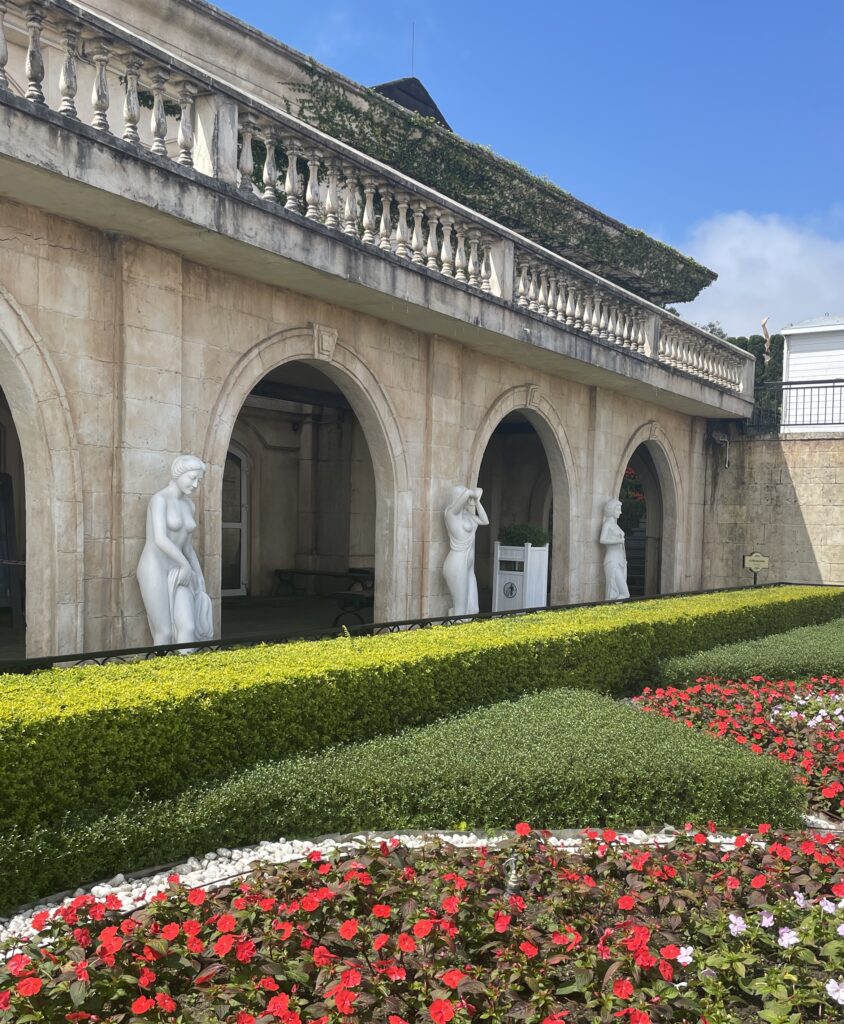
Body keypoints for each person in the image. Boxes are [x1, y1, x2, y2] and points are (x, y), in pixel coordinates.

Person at [137, 454, 214, 647]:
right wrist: (185, 565)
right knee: (164, 632)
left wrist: (199, 575)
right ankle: (161, 676)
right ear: (179, 474)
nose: (195, 485)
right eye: (192, 478)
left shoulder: (189, 505)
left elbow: (187, 546)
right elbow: (160, 539)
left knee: (188, 627)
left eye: (199, 480)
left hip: (181, 568)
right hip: (155, 566)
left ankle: (186, 675)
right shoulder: (159, 500)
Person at [443, 485, 489, 616]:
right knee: (460, 610)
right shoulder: (451, 514)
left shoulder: (468, 515)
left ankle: (461, 630)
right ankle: (455, 634)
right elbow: (467, 494)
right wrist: (471, 493)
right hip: (457, 563)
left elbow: (485, 521)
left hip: (468, 565)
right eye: (464, 495)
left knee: (473, 608)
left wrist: (477, 501)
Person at [600, 497, 629, 601]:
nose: (620, 512)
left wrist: (624, 560)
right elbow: (602, 540)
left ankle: (614, 613)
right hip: (612, 561)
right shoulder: (607, 524)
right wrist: (618, 541)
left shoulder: (615, 525)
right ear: (611, 510)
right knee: (624, 593)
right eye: (618, 509)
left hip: (621, 561)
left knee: (619, 593)